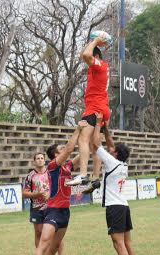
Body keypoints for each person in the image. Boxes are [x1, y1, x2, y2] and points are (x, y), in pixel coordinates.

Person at [26, 121, 86, 255]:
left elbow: (82, 153)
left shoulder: (68, 166)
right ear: (55, 155)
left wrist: (91, 134)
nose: (65, 150)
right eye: (61, 149)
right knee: (43, 244)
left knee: (54, 247)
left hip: (65, 211)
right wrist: (78, 129)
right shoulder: (52, 166)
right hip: (52, 210)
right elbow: (69, 149)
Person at [91, 113, 136, 255]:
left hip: (114, 207)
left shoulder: (111, 161)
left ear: (115, 154)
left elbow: (96, 144)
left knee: (118, 244)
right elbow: (110, 144)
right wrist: (106, 129)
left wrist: (97, 125)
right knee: (127, 243)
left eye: (113, 149)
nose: (110, 149)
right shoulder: (123, 165)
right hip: (124, 206)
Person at [66, 37, 111, 191]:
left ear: (96, 57)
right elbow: (84, 54)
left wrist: (96, 41)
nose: (86, 63)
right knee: (94, 145)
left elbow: (86, 55)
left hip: (95, 108)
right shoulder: (98, 68)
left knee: (82, 139)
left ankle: (83, 174)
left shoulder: (100, 65)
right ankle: (96, 178)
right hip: (102, 108)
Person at [23, 152, 68, 255]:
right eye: (37, 158)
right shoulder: (30, 176)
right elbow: (24, 193)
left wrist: (49, 193)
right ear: (34, 161)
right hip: (37, 208)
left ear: (44, 160)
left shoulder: (51, 172)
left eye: (42, 158)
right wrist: (37, 194)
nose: (40, 160)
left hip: (51, 207)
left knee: (56, 233)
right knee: (38, 233)